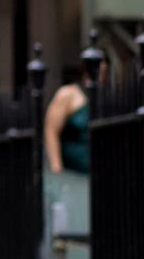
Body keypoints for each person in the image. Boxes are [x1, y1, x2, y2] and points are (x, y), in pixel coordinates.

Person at [44, 44, 106, 174]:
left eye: (103, 73)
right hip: (71, 174)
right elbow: (51, 131)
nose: (101, 77)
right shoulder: (68, 94)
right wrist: (57, 168)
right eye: (98, 71)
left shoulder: (105, 97)